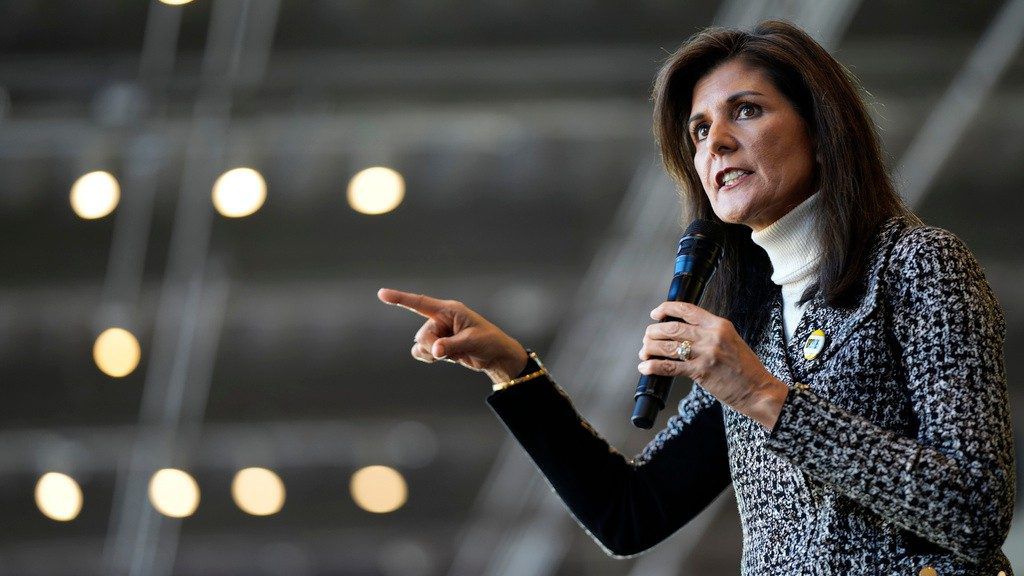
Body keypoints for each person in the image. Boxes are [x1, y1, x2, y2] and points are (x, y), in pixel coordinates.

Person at [377, 20, 1015, 576]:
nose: (716, 143)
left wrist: (760, 394)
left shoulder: (916, 264)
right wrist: (510, 368)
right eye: (700, 130)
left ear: (822, 130)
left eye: (746, 110)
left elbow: (976, 513)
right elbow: (632, 513)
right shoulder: (752, 323)